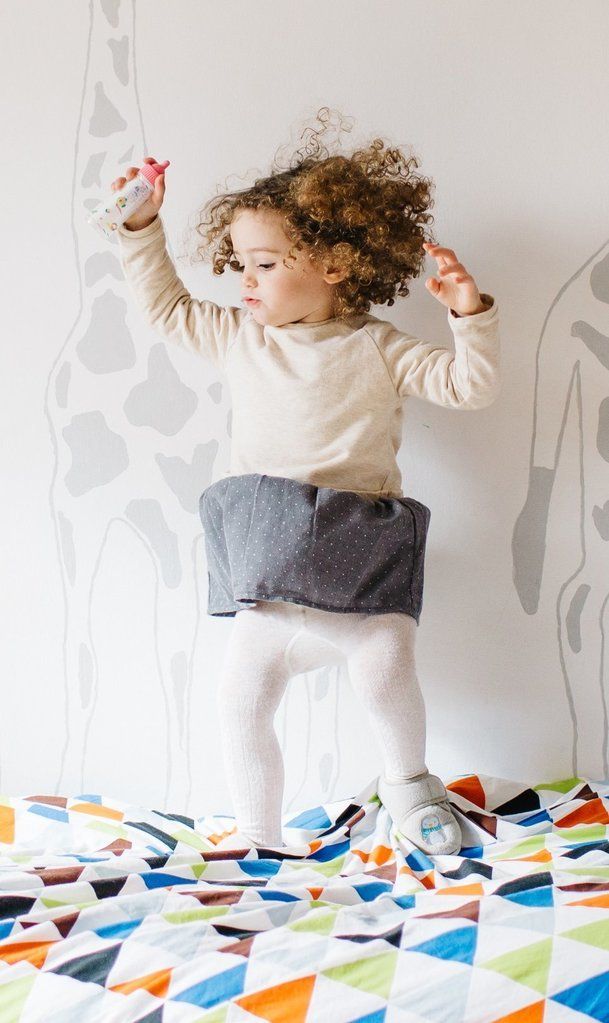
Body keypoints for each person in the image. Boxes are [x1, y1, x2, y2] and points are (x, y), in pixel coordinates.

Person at [113, 117, 500, 857]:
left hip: (360, 562)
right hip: (274, 565)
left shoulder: (378, 346)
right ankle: (257, 836)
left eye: (262, 264)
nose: (243, 282)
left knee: (386, 666)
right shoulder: (239, 336)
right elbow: (164, 307)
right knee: (239, 698)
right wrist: (140, 226)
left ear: (332, 265)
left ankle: (408, 783)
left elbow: (470, 386)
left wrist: (466, 314)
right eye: (239, 265)